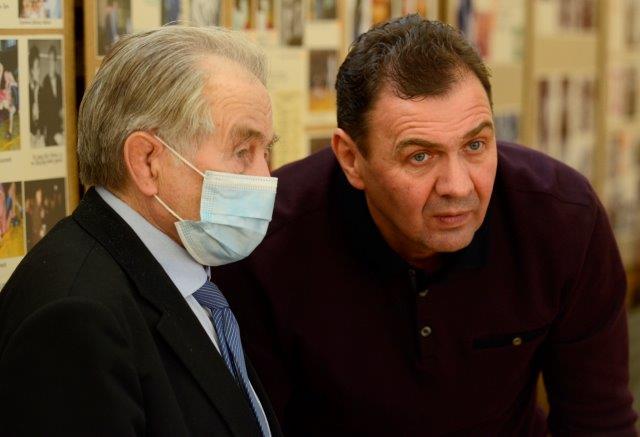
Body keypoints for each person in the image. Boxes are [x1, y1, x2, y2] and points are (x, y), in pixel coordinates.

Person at [213, 15, 638, 435]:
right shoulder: (268, 241)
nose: (458, 186)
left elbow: (599, 421)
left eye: (475, 145)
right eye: (420, 156)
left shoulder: (562, 217)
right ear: (351, 158)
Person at [0, 26, 282, 436]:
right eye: (243, 152)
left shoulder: (187, 274)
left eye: (265, 151)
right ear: (147, 161)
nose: (264, 176)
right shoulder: (77, 317)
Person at [39, 44, 63, 146]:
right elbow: (44, 110)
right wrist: (44, 132)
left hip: (60, 126)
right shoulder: (45, 82)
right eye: (49, 60)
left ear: (55, 62)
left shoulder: (59, 80)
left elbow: (61, 104)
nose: (51, 63)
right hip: (50, 129)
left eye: (52, 60)